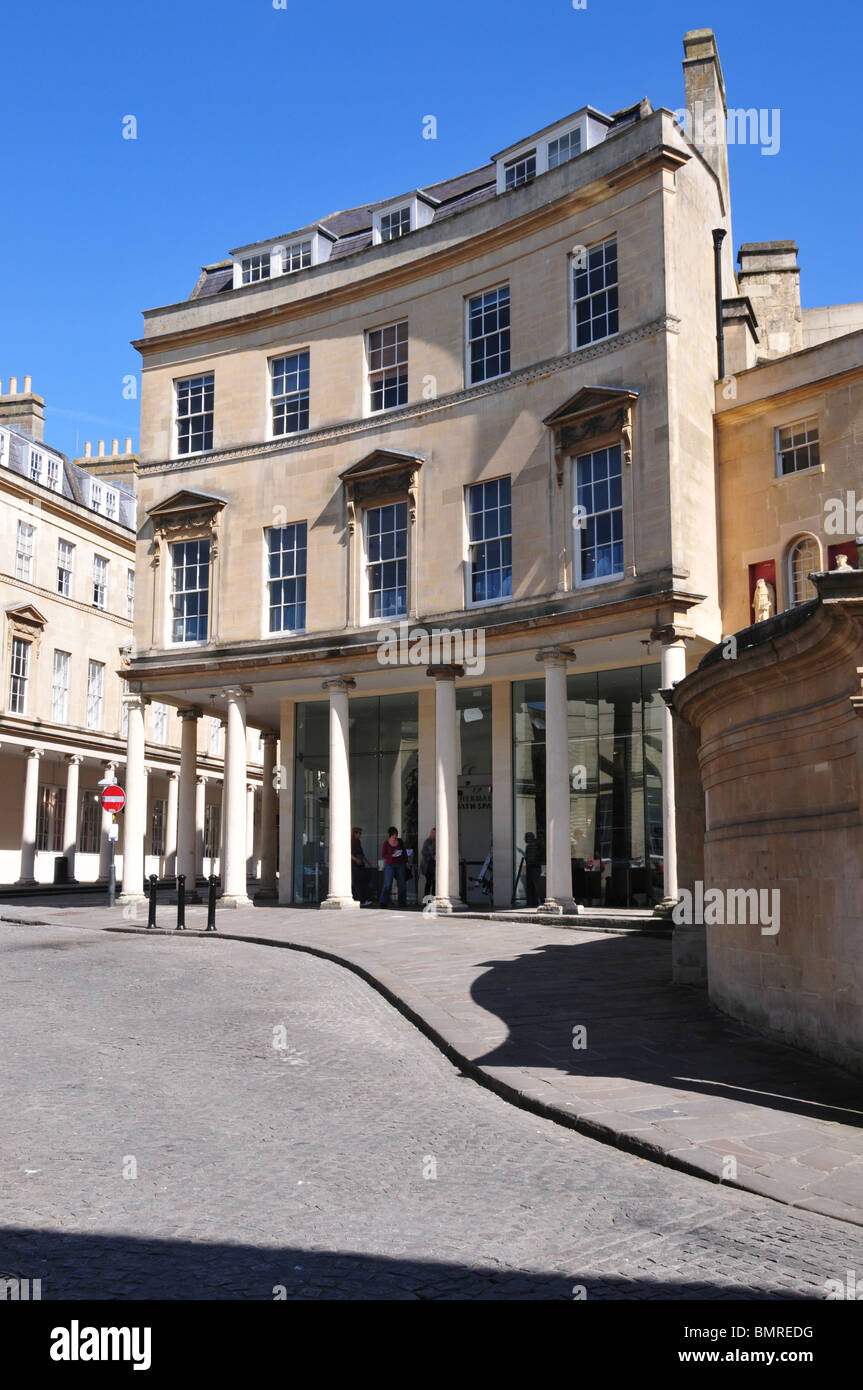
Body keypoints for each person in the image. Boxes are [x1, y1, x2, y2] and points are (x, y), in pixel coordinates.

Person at [379, 826, 408, 908]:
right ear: (390, 835)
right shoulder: (386, 843)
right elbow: (383, 855)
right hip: (390, 864)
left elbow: (404, 852)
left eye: (396, 834)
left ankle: (402, 902)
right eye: (394, 835)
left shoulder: (400, 841)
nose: (395, 837)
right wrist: (392, 855)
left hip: (400, 864)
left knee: (402, 883)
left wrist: (405, 861)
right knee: (387, 883)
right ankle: (383, 902)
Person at [350, 827, 375, 907]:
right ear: (355, 833)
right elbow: (348, 853)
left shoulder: (358, 842)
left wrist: (367, 861)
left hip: (360, 863)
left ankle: (363, 899)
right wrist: (356, 860)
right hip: (355, 864)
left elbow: (362, 853)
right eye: (359, 833)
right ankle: (361, 900)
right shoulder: (351, 841)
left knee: (362, 882)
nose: (360, 835)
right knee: (357, 882)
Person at [420, 827, 436, 901]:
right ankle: (426, 899)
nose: (433, 834)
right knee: (429, 882)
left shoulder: (439, 841)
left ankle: (433, 899)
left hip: (435, 865)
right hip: (428, 864)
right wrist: (431, 853)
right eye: (432, 832)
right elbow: (423, 852)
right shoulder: (427, 841)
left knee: (435, 882)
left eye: (435, 833)